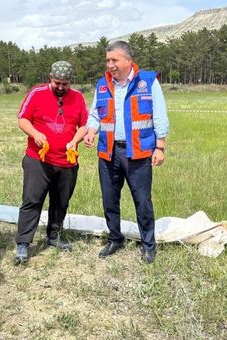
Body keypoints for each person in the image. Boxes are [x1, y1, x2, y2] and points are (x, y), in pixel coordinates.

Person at [83, 41, 170, 263]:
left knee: (142, 200)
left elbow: (159, 115)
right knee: (109, 200)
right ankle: (115, 238)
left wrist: (160, 146)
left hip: (138, 153)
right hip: (109, 152)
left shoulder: (148, 82)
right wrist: (91, 130)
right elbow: (95, 114)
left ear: (128, 61)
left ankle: (148, 245)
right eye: (107, 60)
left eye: (114, 60)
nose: (110, 65)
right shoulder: (103, 85)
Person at [13, 61, 89, 263]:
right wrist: (35, 133)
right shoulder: (36, 93)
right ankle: (23, 243)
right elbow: (22, 119)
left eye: (65, 83)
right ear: (50, 78)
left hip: (67, 162)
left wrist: (75, 140)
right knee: (32, 200)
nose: (61, 87)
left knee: (61, 201)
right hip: (38, 159)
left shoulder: (78, 97)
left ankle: (54, 235)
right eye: (57, 83)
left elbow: (84, 125)